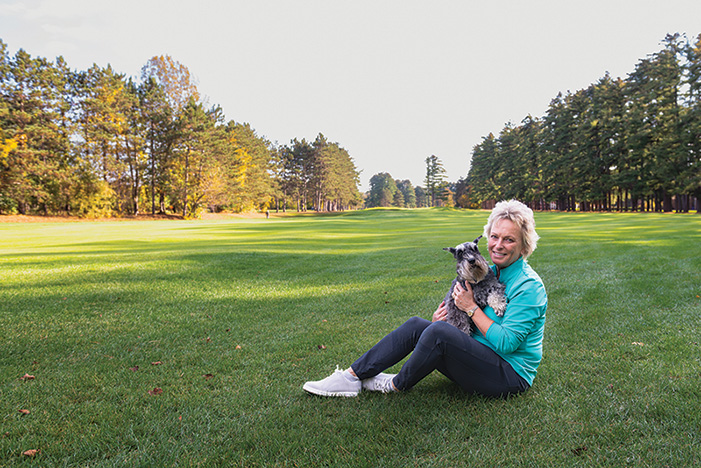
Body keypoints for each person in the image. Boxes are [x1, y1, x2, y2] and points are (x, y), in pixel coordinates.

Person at [302, 199, 547, 398]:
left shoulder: (529, 286)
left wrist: (471, 308)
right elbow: (457, 322)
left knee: (437, 332)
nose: (498, 245)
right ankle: (351, 377)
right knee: (419, 325)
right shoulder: (489, 273)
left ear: (524, 244)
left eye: (509, 239)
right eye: (494, 236)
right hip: (476, 358)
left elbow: (507, 344)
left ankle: (395, 384)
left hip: (508, 376)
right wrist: (445, 321)